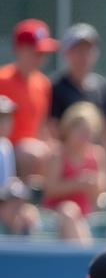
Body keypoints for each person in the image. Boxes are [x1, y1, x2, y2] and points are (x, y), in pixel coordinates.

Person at [0, 19, 58, 182]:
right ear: (20, 50)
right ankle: (23, 200)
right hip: (7, 148)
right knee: (31, 153)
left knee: (57, 153)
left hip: (33, 148)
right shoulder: (2, 79)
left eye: (43, 54)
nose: (41, 59)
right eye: (36, 52)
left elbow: (41, 126)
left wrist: (54, 147)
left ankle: (45, 203)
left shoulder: (43, 83)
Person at [49, 23, 106, 152]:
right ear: (67, 53)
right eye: (78, 50)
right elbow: (52, 129)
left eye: (89, 50)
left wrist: (103, 160)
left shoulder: (101, 86)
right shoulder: (56, 86)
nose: (84, 55)